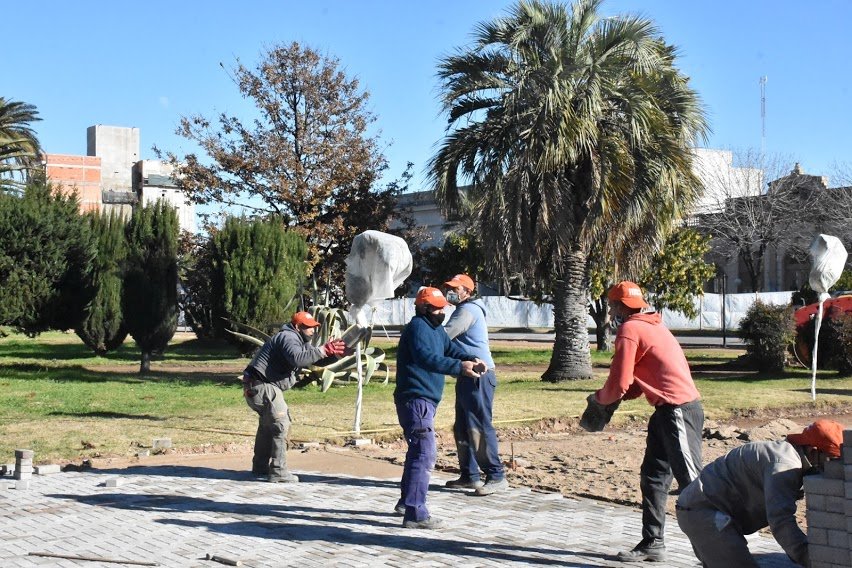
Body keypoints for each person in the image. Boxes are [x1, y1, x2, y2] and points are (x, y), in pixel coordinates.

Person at [589, 281, 704, 562]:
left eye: (613, 305)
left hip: (678, 411)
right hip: (665, 411)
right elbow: (641, 377)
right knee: (653, 476)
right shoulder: (652, 324)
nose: (612, 310)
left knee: (693, 484)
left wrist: (600, 400)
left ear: (617, 306)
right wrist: (623, 394)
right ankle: (653, 542)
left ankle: (717, 552)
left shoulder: (630, 329)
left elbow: (618, 381)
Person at [676, 419, 845, 568]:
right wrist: (810, 559)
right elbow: (780, 520)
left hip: (705, 510)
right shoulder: (785, 465)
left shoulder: (789, 456)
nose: (831, 467)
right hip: (704, 513)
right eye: (831, 459)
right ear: (814, 451)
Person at [393, 287, 486, 529]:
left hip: (426, 400)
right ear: (423, 308)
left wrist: (470, 358)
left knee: (418, 452)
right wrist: (459, 368)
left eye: (444, 306)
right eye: (437, 307)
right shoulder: (417, 328)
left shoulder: (434, 328)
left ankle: (406, 502)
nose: (442, 310)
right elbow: (427, 358)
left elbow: (449, 350)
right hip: (415, 399)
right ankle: (415, 514)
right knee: (424, 453)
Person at [242, 311, 345, 483]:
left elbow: (314, 360)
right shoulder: (289, 337)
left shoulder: (299, 340)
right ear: (298, 327)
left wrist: (336, 354)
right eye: (308, 327)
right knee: (281, 424)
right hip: (264, 386)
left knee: (268, 426)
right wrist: (324, 349)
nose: (312, 331)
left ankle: (259, 467)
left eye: (313, 327)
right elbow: (298, 359)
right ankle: (278, 472)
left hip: (257, 386)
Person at [442, 274, 506, 496]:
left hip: (479, 374)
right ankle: (470, 475)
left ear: (467, 292)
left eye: (455, 288)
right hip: (467, 373)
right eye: (449, 287)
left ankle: (496, 475)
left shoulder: (467, 311)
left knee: (478, 425)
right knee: (462, 425)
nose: (450, 292)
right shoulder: (465, 309)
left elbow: (444, 336)